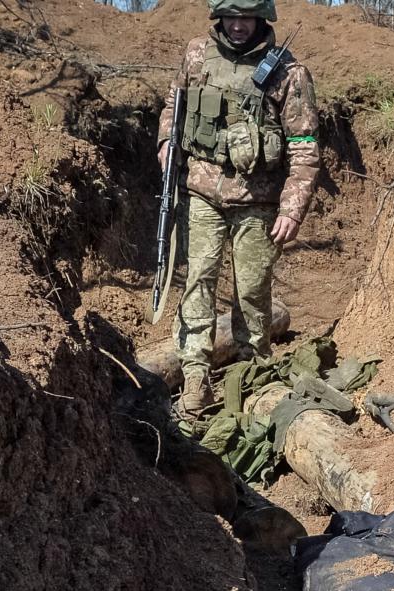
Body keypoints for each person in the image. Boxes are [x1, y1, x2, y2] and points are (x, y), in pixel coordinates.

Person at [156, 0, 319, 422]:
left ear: (261, 18)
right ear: (219, 17)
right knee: (198, 282)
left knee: (251, 291)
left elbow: (304, 149)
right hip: (202, 193)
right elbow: (174, 105)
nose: (238, 25)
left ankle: (252, 374)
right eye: (231, 16)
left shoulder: (289, 73)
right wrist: (164, 145)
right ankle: (194, 376)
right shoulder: (196, 55)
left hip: (259, 203)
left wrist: (292, 209)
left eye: (246, 17)